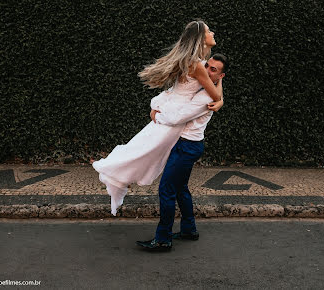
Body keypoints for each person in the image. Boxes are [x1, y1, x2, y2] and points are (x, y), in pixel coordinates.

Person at [91, 20, 223, 215]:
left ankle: (119, 178)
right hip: (172, 117)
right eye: (208, 31)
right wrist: (219, 101)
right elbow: (215, 93)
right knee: (144, 151)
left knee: (142, 148)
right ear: (201, 39)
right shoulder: (198, 66)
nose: (212, 33)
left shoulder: (195, 63)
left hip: (170, 111)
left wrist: (219, 101)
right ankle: (118, 177)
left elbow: (213, 86)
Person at [136, 54, 228, 251]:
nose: (207, 70)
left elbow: (179, 117)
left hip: (186, 146)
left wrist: (156, 114)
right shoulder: (205, 87)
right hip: (186, 145)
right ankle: (188, 229)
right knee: (180, 188)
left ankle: (163, 239)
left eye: (213, 70)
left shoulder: (205, 96)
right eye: (207, 66)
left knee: (166, 189)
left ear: (221, 76)